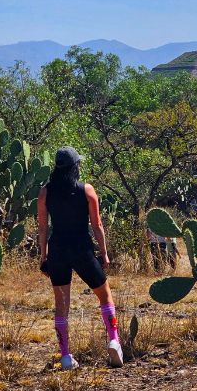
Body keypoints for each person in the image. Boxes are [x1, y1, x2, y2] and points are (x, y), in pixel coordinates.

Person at [37, 146, 123, 370]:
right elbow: (97, 225)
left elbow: (43, 228)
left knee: (61, 304)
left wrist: (43, 257)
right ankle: (114, 340)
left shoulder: (45, 192)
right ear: (76, 166)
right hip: (82, 249)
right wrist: (104, 253)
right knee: (105, 297)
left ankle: (65, 355)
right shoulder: (86, 190)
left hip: (57, 250)